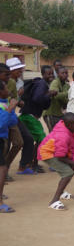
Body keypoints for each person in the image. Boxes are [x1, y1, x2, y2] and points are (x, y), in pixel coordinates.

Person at [38, 113, 74, 211]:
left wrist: (72, 162)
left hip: (56, 152)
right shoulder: (63, 135)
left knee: (70, 171)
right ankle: (54, 201)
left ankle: (62, 192)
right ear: (68, 125)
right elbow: (60, 157)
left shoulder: (69, 129)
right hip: (48, 154)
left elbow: (70, 147)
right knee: (68, 173)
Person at [18, 65, 57, 174]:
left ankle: (29, 164)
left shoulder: (42, 84)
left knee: (30, 142)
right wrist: (49, 94)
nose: (50, 75)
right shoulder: (42, 84)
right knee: (42, 139)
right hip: (30, 116)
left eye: (52, 73)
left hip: (28, 115)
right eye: (48, 73)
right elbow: (37, 98)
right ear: (43, 74)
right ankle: (32, 164)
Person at [4, 59, 35, 176]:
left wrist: (19, 100)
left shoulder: (18, 82)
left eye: (20, 68)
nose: (20, 71)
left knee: (27, 138)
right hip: (6, 115)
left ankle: (22, 165)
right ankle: (4, 169)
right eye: (17, 69)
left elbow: (14, 99)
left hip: (12, 116)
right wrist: (17, 100)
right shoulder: (9, 82)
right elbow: (8, 100)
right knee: (6, 144)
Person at [0, 81, 19, 213]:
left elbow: (13, 121)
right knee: (2, 169)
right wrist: (10, 110)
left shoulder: (5, 102)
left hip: (3, 138)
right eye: (5, 87)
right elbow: (1, 124)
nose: (8, 89)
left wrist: (10, 110)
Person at [43, 66, 69, 132]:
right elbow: (56, 96)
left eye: (66, 73)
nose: (65, 75)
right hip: (50, 113)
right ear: (57, 74)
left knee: (61, 133)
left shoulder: (67, 85)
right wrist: (68, 93)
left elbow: (66, 99)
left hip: (59, 114)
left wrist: (64, 97)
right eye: (62, 73)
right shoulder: (55, 82)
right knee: (53, 134)